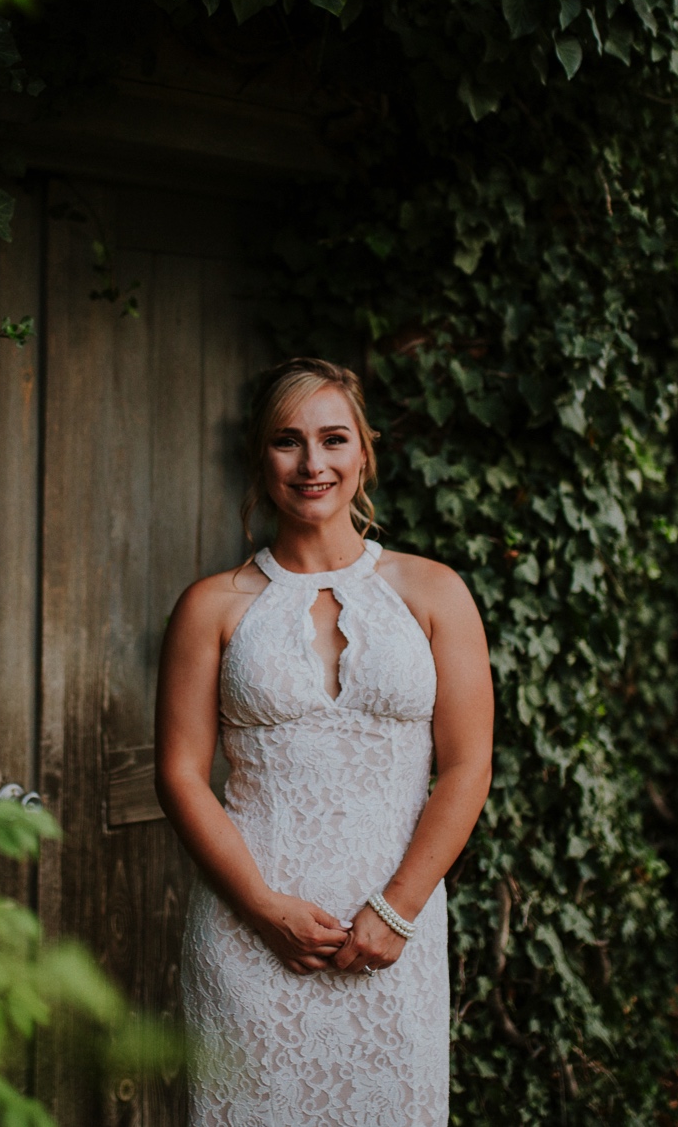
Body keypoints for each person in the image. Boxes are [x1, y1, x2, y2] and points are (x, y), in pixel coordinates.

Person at [156, 356, 495, 1126]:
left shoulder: (435, 591)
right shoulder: (211, 606)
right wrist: (262, 907)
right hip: (249, 938)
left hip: (395, 939)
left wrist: (398, 908)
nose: (313, 463)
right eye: (287, 441)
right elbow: (179, 773)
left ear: (365, 451)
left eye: (334, 438)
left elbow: (468, 765)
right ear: (258, 456)